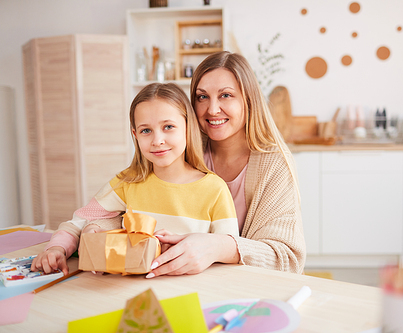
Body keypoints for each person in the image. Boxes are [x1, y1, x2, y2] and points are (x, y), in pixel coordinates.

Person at [31, 83, 239, 275]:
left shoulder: (215, 189)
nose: (157, 140)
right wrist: (56, 248)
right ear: (135, 135)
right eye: (146, 130)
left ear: (188, 127)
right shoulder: (127, 182)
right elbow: (78, 222)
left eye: (168, 127)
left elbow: (229, 253)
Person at [149, 51, 306, 277]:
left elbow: (287, 259)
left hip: (247, 289)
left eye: (226, 95)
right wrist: (83, 230)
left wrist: (218, 247)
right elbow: (126, 201)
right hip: (185, 283)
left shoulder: (274, 163)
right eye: (202, 97)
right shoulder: (181, 151)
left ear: (248, 99)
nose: (212, 109)